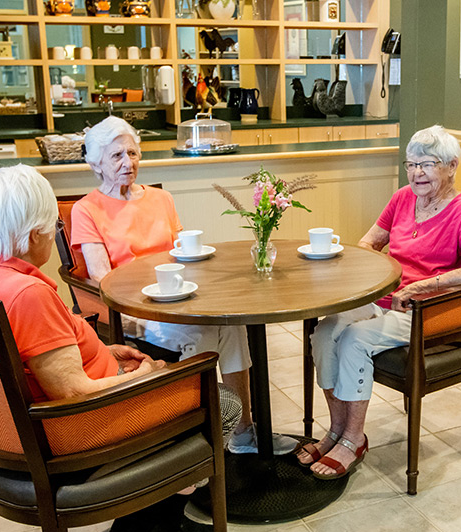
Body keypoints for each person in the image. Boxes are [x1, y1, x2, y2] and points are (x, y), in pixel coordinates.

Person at [0, 164, 214, 532]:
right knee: (219, 400)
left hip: (5, 432)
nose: (55, 230)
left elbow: (33, 359)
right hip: (74, 432)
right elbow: (73, 392)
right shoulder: (26, 294)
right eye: (52, 223)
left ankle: (153, 506)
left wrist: (102, 352)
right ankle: (151, 520)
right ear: (33, 233)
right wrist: (141, 378)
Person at [69, 116, 295, 455]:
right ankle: (195, 441)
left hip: (178, 299)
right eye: (116, 156)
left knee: (231, 326)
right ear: (95, 163)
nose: (127, 163)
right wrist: (149, 302)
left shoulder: (160, 199)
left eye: (132, 153)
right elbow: (102, 279)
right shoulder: (87, 210)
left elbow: (181, 254)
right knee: (203, 334)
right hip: (134, 311)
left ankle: (243, 430)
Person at [300, 125, 461, 479]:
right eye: (411, 164)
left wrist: (419, 288)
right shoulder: (403, 198)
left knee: (356, 339)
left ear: (451, 166)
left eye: (427, 164)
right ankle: (337, 431)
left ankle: (354, 439)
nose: (417, 173)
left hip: (426, 310)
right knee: (325, 333)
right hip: (385, 299)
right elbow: (368, 243)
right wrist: (371, 276)